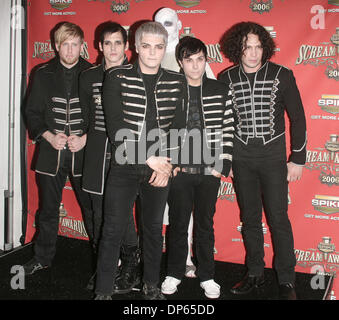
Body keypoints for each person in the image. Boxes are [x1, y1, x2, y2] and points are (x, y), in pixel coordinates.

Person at [94, 21, 185, 300]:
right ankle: (103, 292)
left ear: (165, 47)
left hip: (160, 169)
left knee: (154, 231)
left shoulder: (176, 80)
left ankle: (151, 286)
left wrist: (169, 165)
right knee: (112, 229)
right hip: (124, 166)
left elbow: (180, 127)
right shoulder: (116, 77)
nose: (152, 52)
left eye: (159, 47)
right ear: (135, 46)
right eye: (146, 46)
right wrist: (150, 159)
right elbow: (116, 128)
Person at [219, 21, 307, 300]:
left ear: (265, 48)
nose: (253, 53)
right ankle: (254, 273)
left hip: (272, 158)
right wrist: (226, 158)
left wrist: (297, 159)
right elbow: (221, 123)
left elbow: (299, 119)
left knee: (279, 218)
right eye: (247, 47)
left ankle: (287, 279)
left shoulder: (282, 75)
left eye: (258, 47)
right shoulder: (226, 78)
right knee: (250, 219)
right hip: (242, 158)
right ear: (238, 49)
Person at [160, 36, 234, 299]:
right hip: (180, 172)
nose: (195, 65)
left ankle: (208, 276)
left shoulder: (220, 89)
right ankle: (174, 273)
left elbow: (228, 128)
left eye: (200, 59)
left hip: (209, 172)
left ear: (205, 60)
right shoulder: (171, 89)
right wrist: (170, 162)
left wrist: (221, 165)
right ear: (181, 62)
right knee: (178, 224)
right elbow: (163, 129)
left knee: (205, 224)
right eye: (189, 60)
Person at [24, 22, 93, 274]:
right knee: (48, 209)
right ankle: (42, 257)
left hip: (84, 154)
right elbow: (31, 113)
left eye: (75, 44)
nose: (71, 50)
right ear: (56, 45)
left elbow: (103, 116)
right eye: (66, 44)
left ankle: (103, 261)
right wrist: (48, 136)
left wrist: (85, 138)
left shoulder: (94, 72)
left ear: (82, 45)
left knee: (92, 209)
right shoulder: (41, 73)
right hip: (50, 152)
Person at [154, 6, 217, 278]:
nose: (165, 29)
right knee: (157, 206)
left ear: (180, 23)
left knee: (186, 213)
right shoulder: (151, 55)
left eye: (168, 23)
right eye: (158, 24)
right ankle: (155, 260)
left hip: (191, 153)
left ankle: (187, 260)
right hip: (157, 148)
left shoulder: (193, 55)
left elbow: (212, 106)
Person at [79, 22, 140, 294]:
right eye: (108, 43)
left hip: (126, 154)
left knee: (122, 214)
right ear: (100, 46)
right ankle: (105, 266)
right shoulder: (88, 76)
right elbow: (85, 115)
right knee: (97, 213)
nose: (113, 48)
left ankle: (129, 267)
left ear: (126, 46)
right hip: (95, 154)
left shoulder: (138, 74)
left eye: (118, 42)